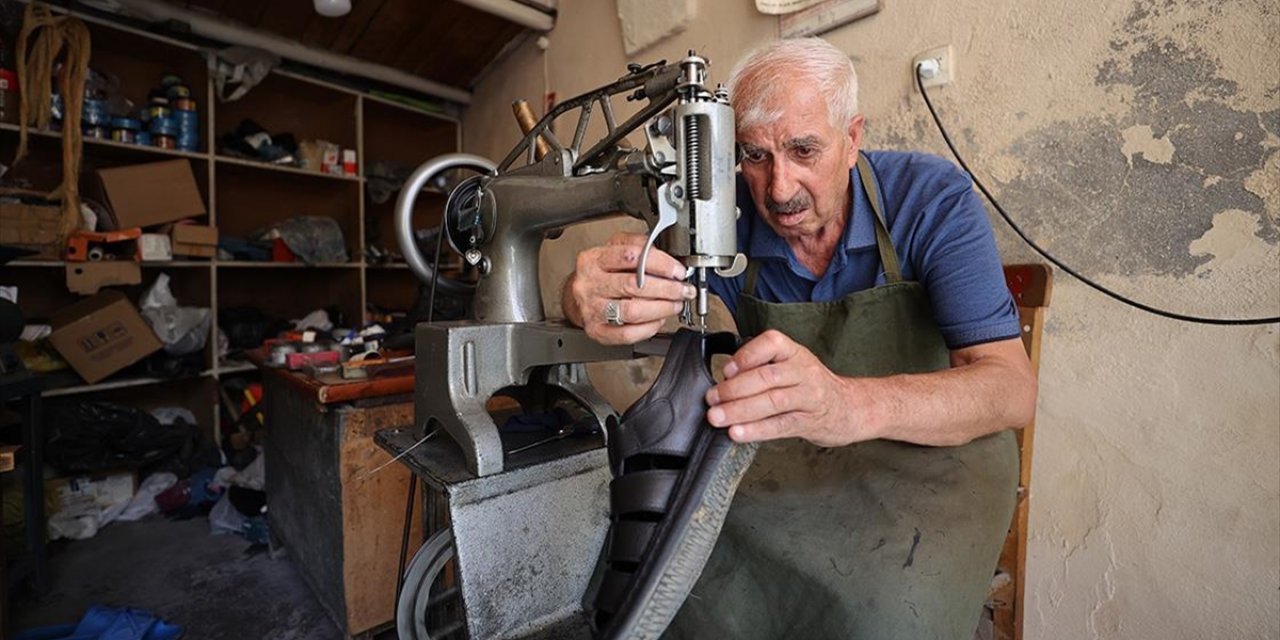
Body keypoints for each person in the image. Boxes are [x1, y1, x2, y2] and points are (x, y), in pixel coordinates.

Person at [563, 37, 1037, 639]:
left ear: (853, 137)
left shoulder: (929, 200)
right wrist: (586, 297)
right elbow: (638, 298)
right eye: (754, 156)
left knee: (884, 616)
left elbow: (1010, 389)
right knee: (661, 579)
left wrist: (847, 404)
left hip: (929, 465)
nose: (779, 189)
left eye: (803, 150)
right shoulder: (725, 215)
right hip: (789, 463)